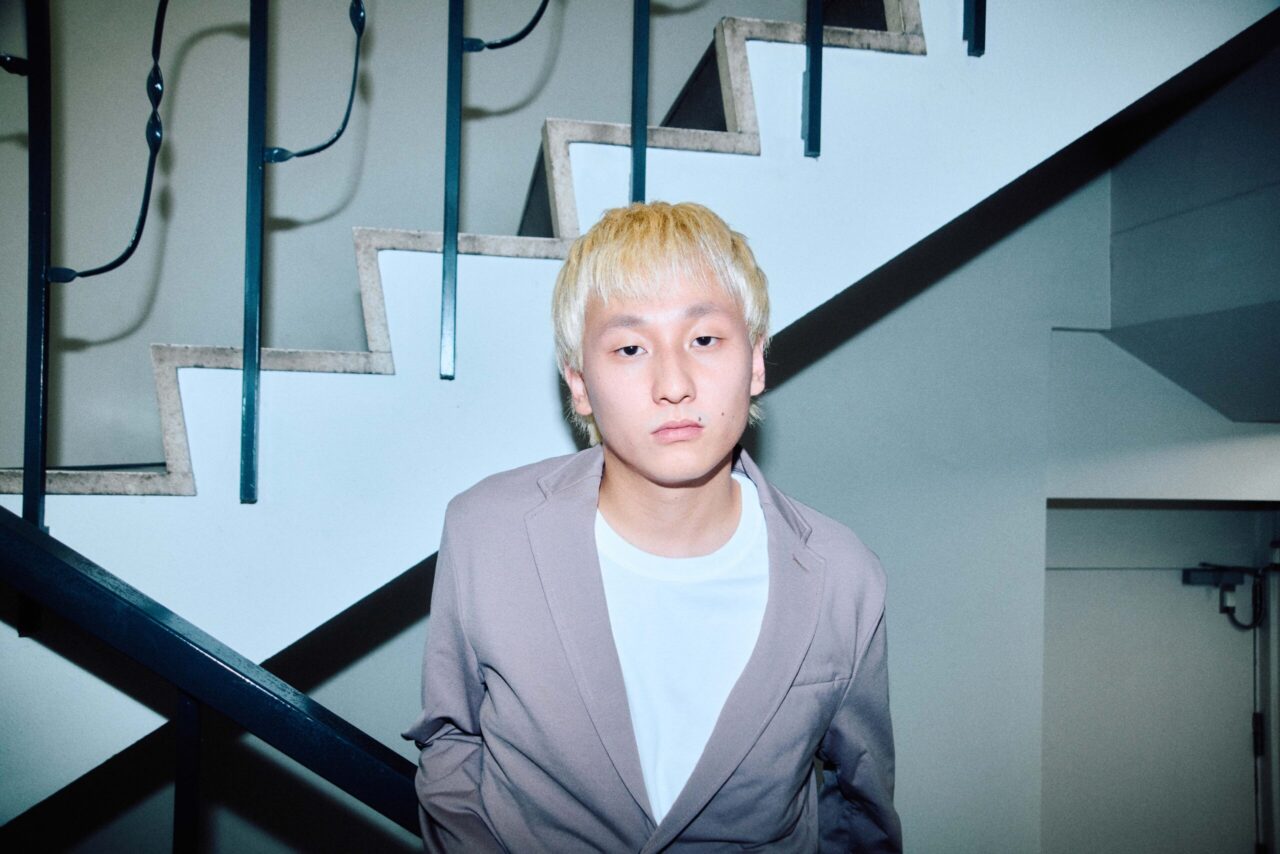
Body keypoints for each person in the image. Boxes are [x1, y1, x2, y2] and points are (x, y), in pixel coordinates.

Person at [404, 201, 900, 852]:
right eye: (631, 348)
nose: (673, 384)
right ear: (580, 384)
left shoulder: (842, 575)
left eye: (704, 340)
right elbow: (451, 741)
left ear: (755, 362)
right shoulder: (485, 532)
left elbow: (858, 804)